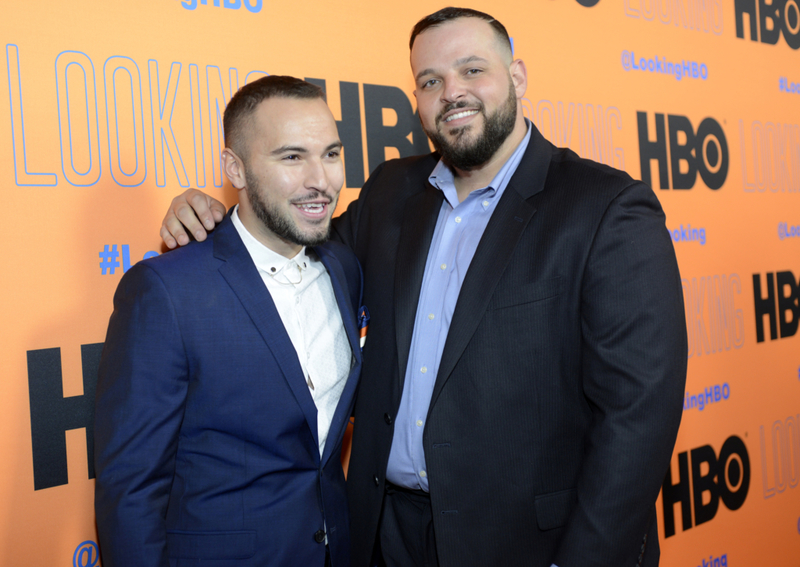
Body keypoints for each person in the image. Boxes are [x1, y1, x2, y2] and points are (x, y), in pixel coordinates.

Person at [159, 8, 688, 567]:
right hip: (385, 535)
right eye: (430, 81)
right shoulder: (391, 190)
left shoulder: (605, 208)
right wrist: (211, 215)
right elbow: (293, 245)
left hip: (527, 545)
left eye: (472, 70)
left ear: (518, 78)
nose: (452, 93)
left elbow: (638, 417)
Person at [95, 75, 363, 567]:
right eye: (291, 157)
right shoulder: (167, 290)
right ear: (234, 168)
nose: (320, 180)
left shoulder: (343, 268)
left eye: (330, 154)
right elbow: (131, 488)